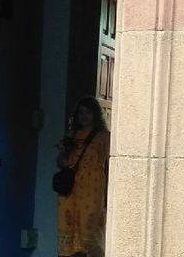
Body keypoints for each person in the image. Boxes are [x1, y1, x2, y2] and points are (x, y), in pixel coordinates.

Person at [56, 96, 110, 257]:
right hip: (71, 186)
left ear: (95, 114)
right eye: (81, 113)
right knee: (68, 222)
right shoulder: (72, 136)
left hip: (92, 186)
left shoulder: (104, 137)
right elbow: (62, 163)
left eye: (88, 112)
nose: (84, 116)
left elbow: (110, 162)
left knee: (88, 225)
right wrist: (62, 152)